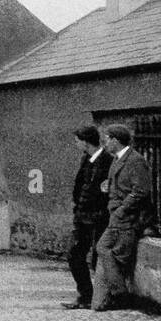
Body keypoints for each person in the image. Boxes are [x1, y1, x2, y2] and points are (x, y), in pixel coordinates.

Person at [91, 124, 155, 311]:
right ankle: (118, 294)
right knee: (102, 247)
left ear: (115, 141)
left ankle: (119, 296)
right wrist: (108, 186)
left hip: (128, 218)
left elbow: (141, 190)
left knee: (117, 255)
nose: (105, 143)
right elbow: (122, 184)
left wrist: (122, 209)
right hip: (116, 217)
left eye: (107, 139)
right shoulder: (118, 159)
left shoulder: (135, 160)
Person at [64, 125, 111, 309]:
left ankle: (101, 298)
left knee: (97, 258)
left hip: (99, 217)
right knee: (74, 254)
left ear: (85, 141)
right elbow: (80, 186)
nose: (76, 144)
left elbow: (105, 191)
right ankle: (85, 295)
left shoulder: (107, 160)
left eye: (77, 140)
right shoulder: (87, 159)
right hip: (82, 216)